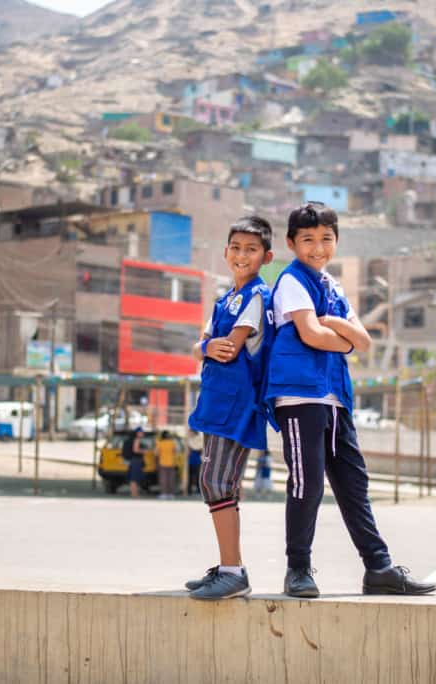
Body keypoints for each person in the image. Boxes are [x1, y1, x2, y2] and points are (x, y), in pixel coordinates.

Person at [263, 202, 436, 599]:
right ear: (292, 243)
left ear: (336, 242)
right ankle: (298, 569)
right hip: (298, 396)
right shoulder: (291, 281)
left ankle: (379, 567)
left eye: (326, 239)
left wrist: (338, 326)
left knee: (353, 483)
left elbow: (364, 339)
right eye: (308, 240)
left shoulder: (332, 287)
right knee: (307, 484)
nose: (318, 247)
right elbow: (310, 334)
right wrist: (344, 337)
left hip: (335, 399)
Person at [185, 216, 274, 601]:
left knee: (217, 482)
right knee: (219, 483)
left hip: (236, 406)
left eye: (251, 249)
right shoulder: (226, 298)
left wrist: (207, 346)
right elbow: (201, 346)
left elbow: (228, 347)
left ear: (266, 256)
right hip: (216, 402)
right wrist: (205, 347)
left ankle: (234, 571)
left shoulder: (257, 296)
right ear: (225, 253)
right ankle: (227, 566)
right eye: (236, 247)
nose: (242, 254)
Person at [123, 426, 145, 498]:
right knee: (134, 478)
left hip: (132, 460)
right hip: (136, 460)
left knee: (133, 477)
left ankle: (133, 493)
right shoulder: (137, 439)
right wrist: (144, 451)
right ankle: (134, 494)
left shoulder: (132, 439)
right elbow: (135, 450)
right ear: (138, 433)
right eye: (142, 432)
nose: (143, 434)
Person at [156, 430, 177, 500]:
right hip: (171, 463)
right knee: (171, 479)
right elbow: (175, 452)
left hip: (162, 463)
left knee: (163, 479)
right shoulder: (172, 443)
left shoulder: (159, 443)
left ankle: (164, 494)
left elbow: (156, 453)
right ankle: (171, 494)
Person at [185, 429, 204, 496]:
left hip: (197, 460)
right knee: (190, 475)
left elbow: (199, 448)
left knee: (197, 476)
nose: (189, 433)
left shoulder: (199, 439)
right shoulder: (189, 439)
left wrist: (191, 447)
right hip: (191, 460)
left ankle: (199, 491)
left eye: (190, 432)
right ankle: (189, 491)